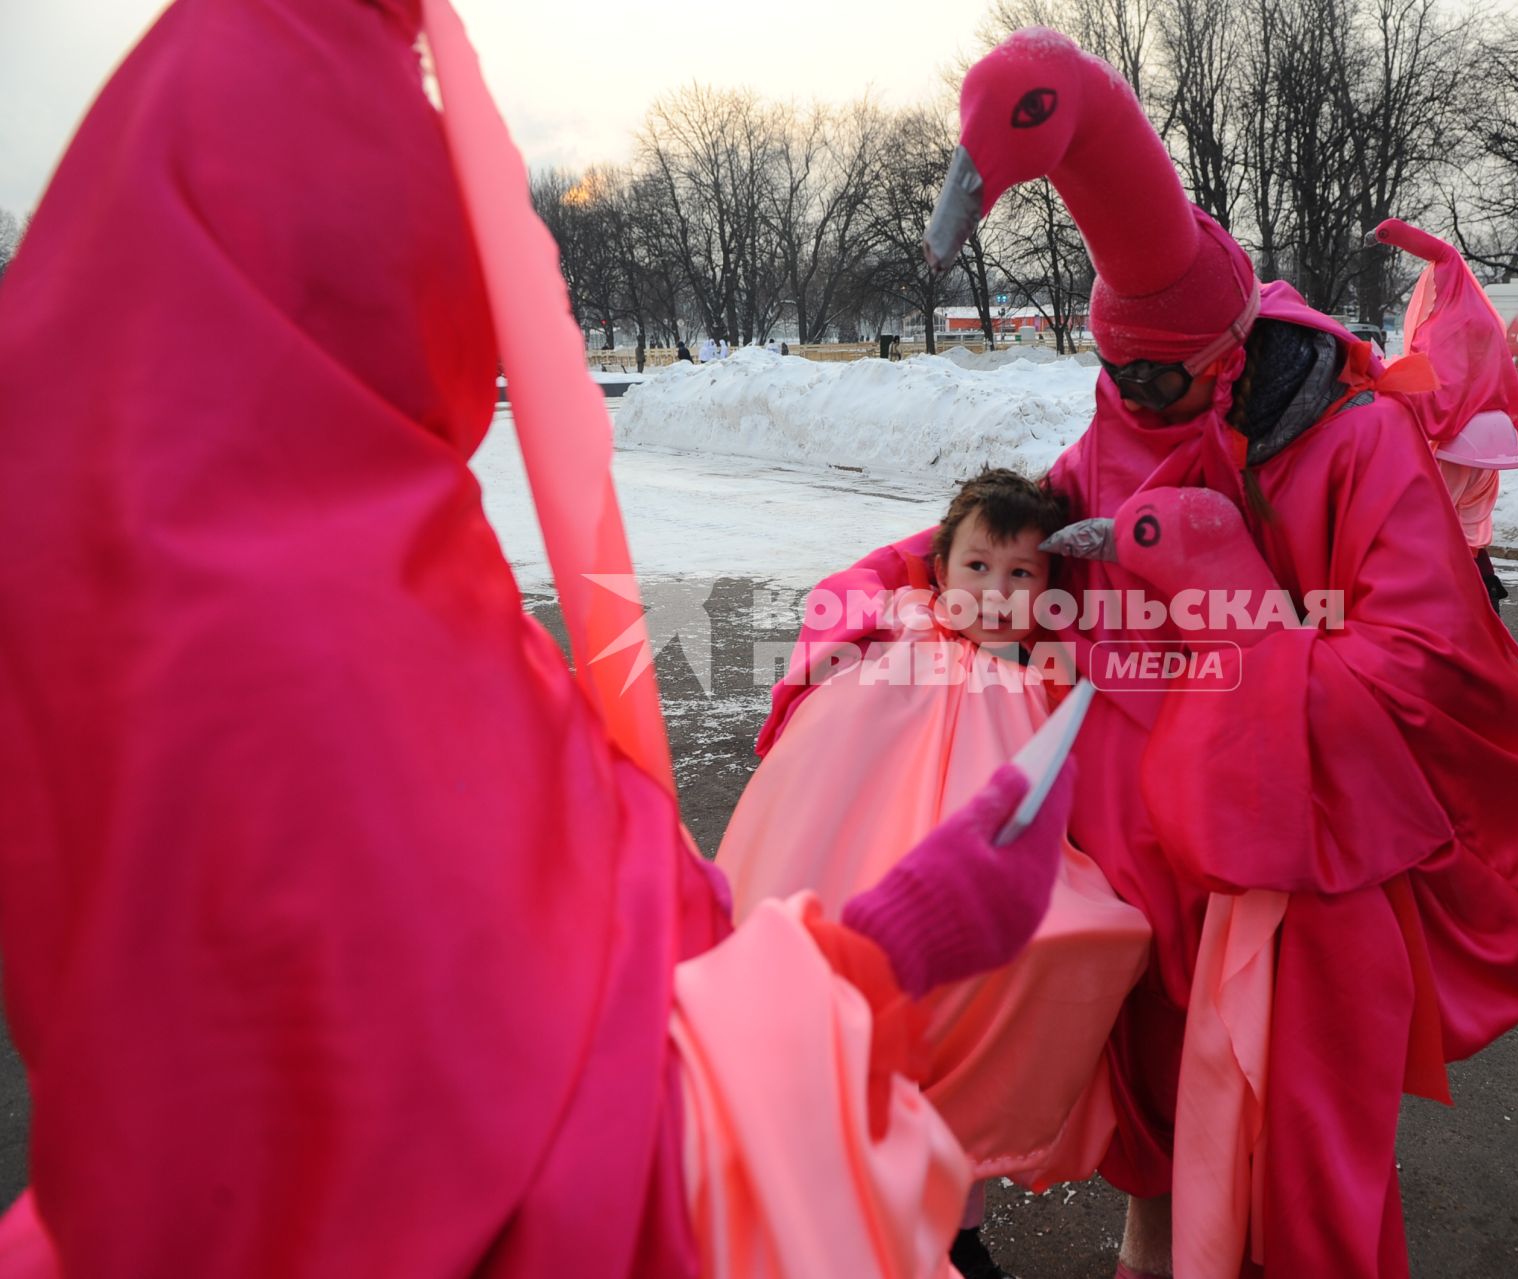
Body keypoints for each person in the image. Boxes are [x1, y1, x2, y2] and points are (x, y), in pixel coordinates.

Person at [0, 2, 1074, 1275]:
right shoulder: (330, 666)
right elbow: (575, 1171)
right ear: (378, 238)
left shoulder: (143, 597)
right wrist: (897, 944)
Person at [780, 28, 1518, 1279]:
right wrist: (873, 591)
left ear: (1229, 354)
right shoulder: (1120, 428)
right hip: (1139, 877)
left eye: (1157, 384)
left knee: (1288, 1162)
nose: (1130, 409)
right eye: (1113, 379)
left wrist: (1233, 619)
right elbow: (1012, 543)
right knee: (1159, 1131)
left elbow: (1421, 667)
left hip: (1292, 895)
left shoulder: (1357, 445)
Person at [725, 467, 1151, 1279]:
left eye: (1021, 574)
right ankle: (868, 1221)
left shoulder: (1044, 678)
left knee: (976, 1043)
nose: (996, 592)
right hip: (876, 886)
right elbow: (826, 766)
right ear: (941, 571)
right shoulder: (902, 635)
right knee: (869, 1055)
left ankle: (950, 1230)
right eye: (976, 568)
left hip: (984, 906)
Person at [1377, 219, 1518, 614]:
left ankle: (1442, 609)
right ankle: (1484, 600)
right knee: (1471, 528)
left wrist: (1389, 384)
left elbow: (1438, 392)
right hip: (1494, 440)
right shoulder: (1485, 322)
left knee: (1433, 524)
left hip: (1458, 443)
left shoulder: (1446, 326)